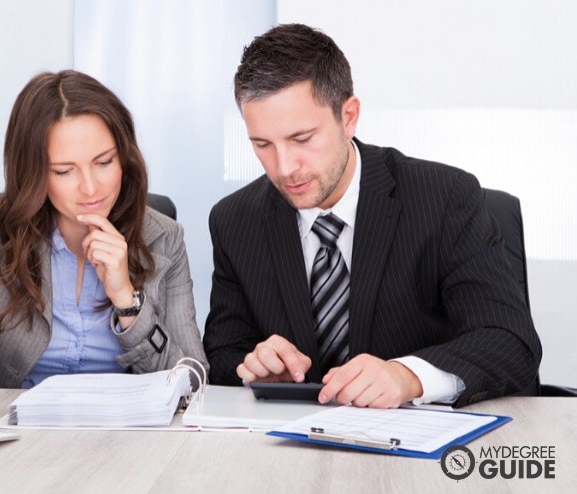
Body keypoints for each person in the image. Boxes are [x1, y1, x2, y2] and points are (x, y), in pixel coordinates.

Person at [203, 23, 541, 408]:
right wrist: (256, 367)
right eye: (262, 144)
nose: (284, 168)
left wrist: (409, 376)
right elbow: (223, 354)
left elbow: (510, 341)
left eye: (302, 139)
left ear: (349, 117)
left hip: (414, 446)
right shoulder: (234, 220)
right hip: (290, 447)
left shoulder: (445, 197)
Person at [0, 70, 207, 401]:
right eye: (63, 171)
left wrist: (127, 301)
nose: (90, 187)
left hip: (126, 442)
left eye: (104, 162)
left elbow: (192, 378)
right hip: (13, 440)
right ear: (34, 172)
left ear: (125, 158)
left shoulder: (164, 238)